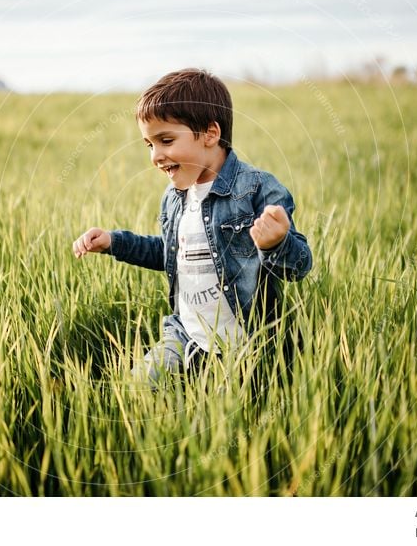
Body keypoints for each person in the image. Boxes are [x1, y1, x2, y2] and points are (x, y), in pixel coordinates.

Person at [72, 68, 312, 387]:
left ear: (210, 134)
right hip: (186, 335)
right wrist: (114, 242)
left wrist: (276, 243)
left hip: (249, 342)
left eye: (166, 140)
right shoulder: (174, 198)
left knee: (238, 416)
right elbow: (171, 254)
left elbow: (300, 267)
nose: (156, 156)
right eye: (149, 145)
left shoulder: (257, 189)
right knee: (137, 389)